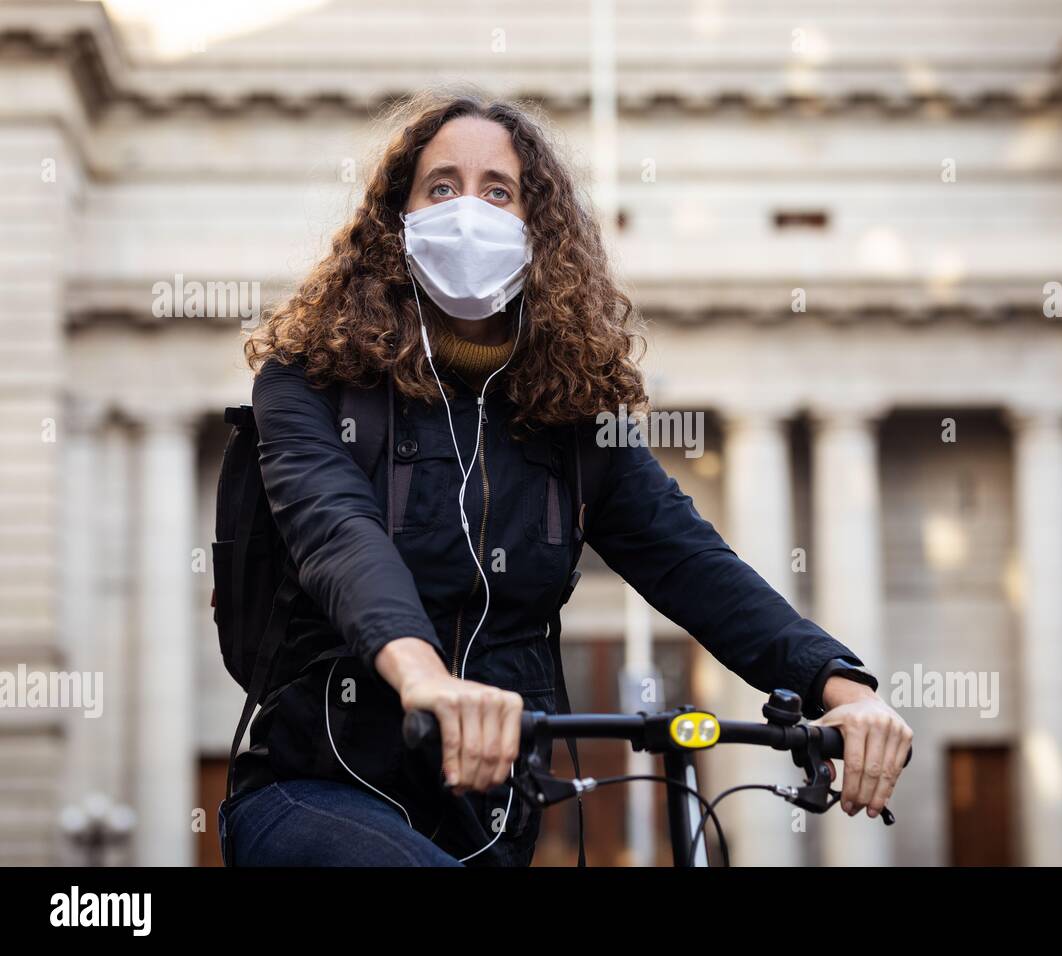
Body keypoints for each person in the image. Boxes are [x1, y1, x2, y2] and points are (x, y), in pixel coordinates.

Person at [218, 89, 913, 867]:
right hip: (316, 785)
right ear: (397, 222)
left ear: (534, 229)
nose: (468, 209)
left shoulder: (572, 419)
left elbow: (691, 560)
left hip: (490, 810)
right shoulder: (308, 382)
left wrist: (840, 685)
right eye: (441, 187)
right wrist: (422, 677)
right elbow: (338, 535)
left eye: (498, 190)